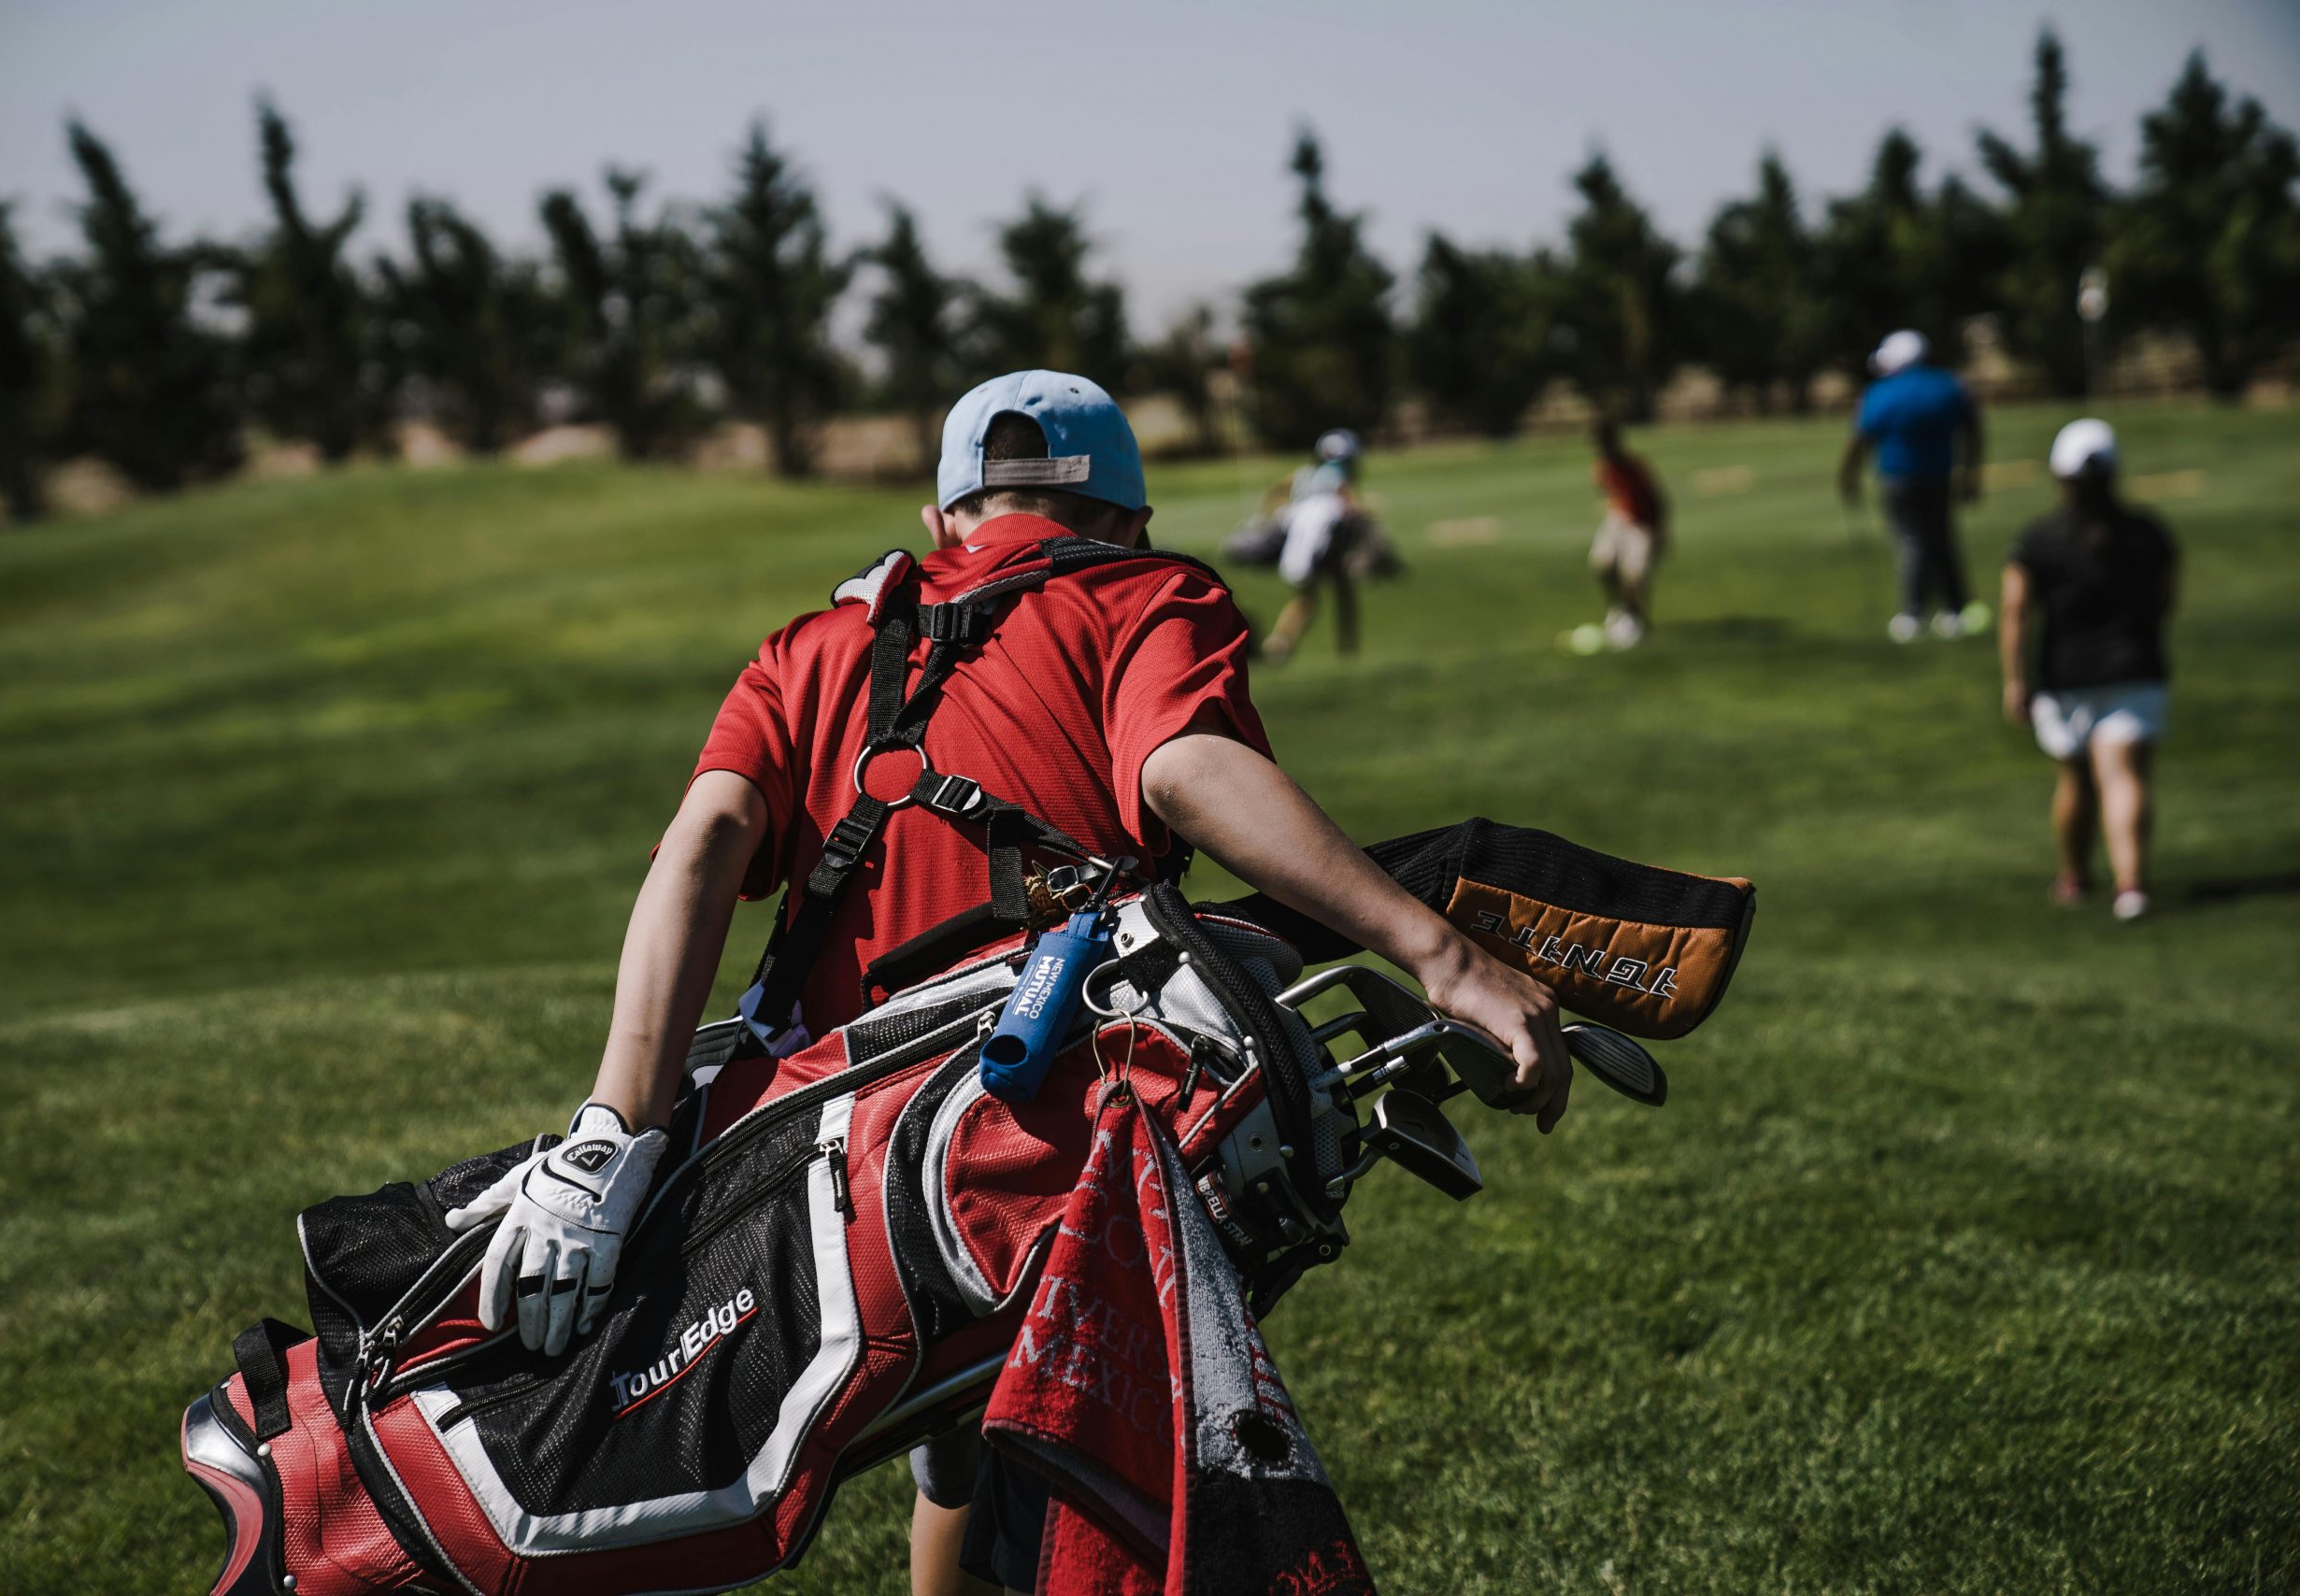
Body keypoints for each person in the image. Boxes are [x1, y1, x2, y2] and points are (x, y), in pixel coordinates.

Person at [437, 372, 1575, 1595]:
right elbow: (1187, 769)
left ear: (943, 522)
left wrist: (614, 1132)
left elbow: (706, 845)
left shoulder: (812, 647)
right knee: (1084, 1475)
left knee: (956, 1457)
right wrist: (1443, 957)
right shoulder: (1146, 594)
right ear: (1127, 520)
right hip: (1051, 1145)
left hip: (830, 1174)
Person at [2000, 418, 2178, 922]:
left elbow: (2016, 612)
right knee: (2124, 777)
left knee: (2076, 779)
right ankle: (2131, 886)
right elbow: (2166, 599)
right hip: (2137, 669)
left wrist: (2016, 679)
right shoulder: (2147, 532)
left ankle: (2074, 877)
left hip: (2066, 676)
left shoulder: (2038, 539)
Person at [1839, 329, 1988, 642]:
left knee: (1913, 543)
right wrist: (1972, 474)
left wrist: (1848, 477)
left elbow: (1860, 439)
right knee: (1941, 538)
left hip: (1898, 479)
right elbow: (1973, 428)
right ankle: (1954, 610)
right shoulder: (1949, 385)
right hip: (1939, 477)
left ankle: (1914, 614)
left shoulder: (1881, 392)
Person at [1263, 428, 1369, 661]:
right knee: (1318, 597)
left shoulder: (1305, 474)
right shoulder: (1338, 477)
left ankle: (1282, 644)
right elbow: (1355, 508)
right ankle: (1283, 645)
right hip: (1319, 551)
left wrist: (1263, 517)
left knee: (1311, 597)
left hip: (1299, 549)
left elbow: (1274, 491)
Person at [1585, 419, 1669, 650]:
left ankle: (1637, 620)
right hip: (1617, 522)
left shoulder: (1635, 466)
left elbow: (1657, 499)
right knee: (1601, 565)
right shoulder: (1602, 468)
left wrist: (1660, 531)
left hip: (1641, 525)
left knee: (1633, 576)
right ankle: (1619, 610)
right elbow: (1608, 493)